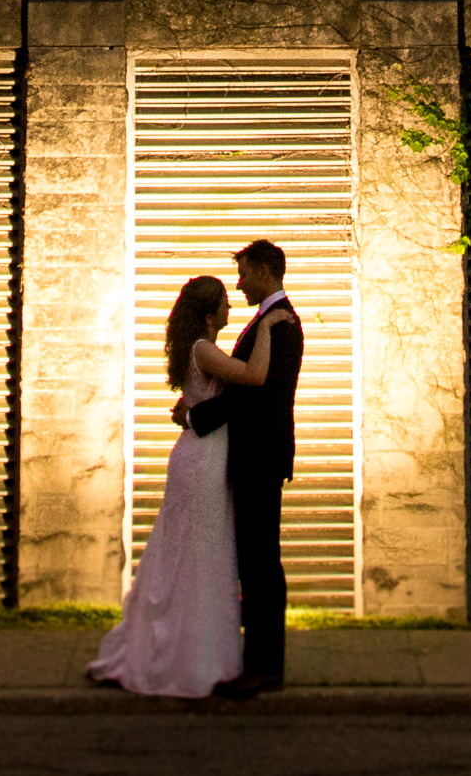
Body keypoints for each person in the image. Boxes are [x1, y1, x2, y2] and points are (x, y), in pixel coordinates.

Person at [85, 275, 242, 698]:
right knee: (200, 551)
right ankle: (187, 655)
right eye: (226, 304)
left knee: (191, 550)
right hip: (203, 459)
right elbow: (252, 376)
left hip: (198, 453)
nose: (232, 310)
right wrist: (268, 329)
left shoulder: (195, 347)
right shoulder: (205, 349)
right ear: (211, 315)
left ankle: (188, 646)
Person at [185, 240, 301, 699]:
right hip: (254, 455)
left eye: (244, 273)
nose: (239, 283)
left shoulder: (282, 324)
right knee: (253, 560)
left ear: (266, 272)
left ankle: (266, 667)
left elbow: (256, 390)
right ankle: (256, 661)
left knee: (260, 563)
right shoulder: (268, 321)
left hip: (261, 457)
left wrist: (199, 416)